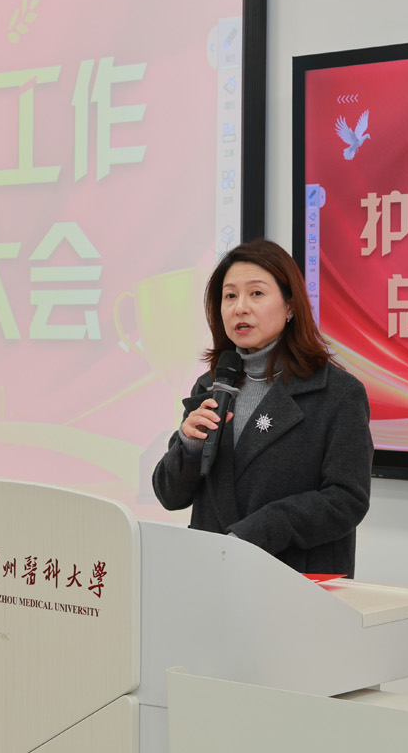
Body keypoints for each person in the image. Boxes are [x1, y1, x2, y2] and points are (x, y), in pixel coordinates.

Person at [151, 239, 374, 577]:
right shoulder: (210, 386)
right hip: (213, 578)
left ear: (290, 306)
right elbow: (170, 496)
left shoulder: (338, 393)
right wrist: (189, 446)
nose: (240, 307)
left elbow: (347, 499)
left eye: (256, 293)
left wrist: (263, 529)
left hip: (294, 581)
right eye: (229, 296)